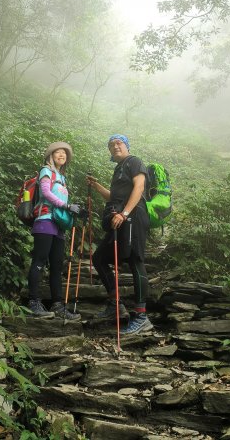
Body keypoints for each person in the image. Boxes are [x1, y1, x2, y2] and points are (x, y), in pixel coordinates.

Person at [86, 134, 153, 335]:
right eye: (111, 145)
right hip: (120, 220)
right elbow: (113, 196)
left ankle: (141, 316)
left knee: (135, 260)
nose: (115, 147)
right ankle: (115, 305)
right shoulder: (118, 169)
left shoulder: (134, 161)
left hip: (133, 216)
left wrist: (124, 214)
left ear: (127, 146)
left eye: (119, 143)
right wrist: (96, 186)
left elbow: (139, 187)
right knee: (99, 258)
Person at [28, 141, 81, 320]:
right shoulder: (46, 171)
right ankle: (34, 302)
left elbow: (60, 202)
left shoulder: (62, 178)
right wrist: (67, 205)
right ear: (51, 155)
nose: (62, 155)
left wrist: (74, 210)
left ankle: (57, 304)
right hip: (44, 221)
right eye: (58, 152)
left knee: (57, 266)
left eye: (64, 154)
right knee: (39, 261)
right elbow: (45, 193)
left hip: (58, 226)